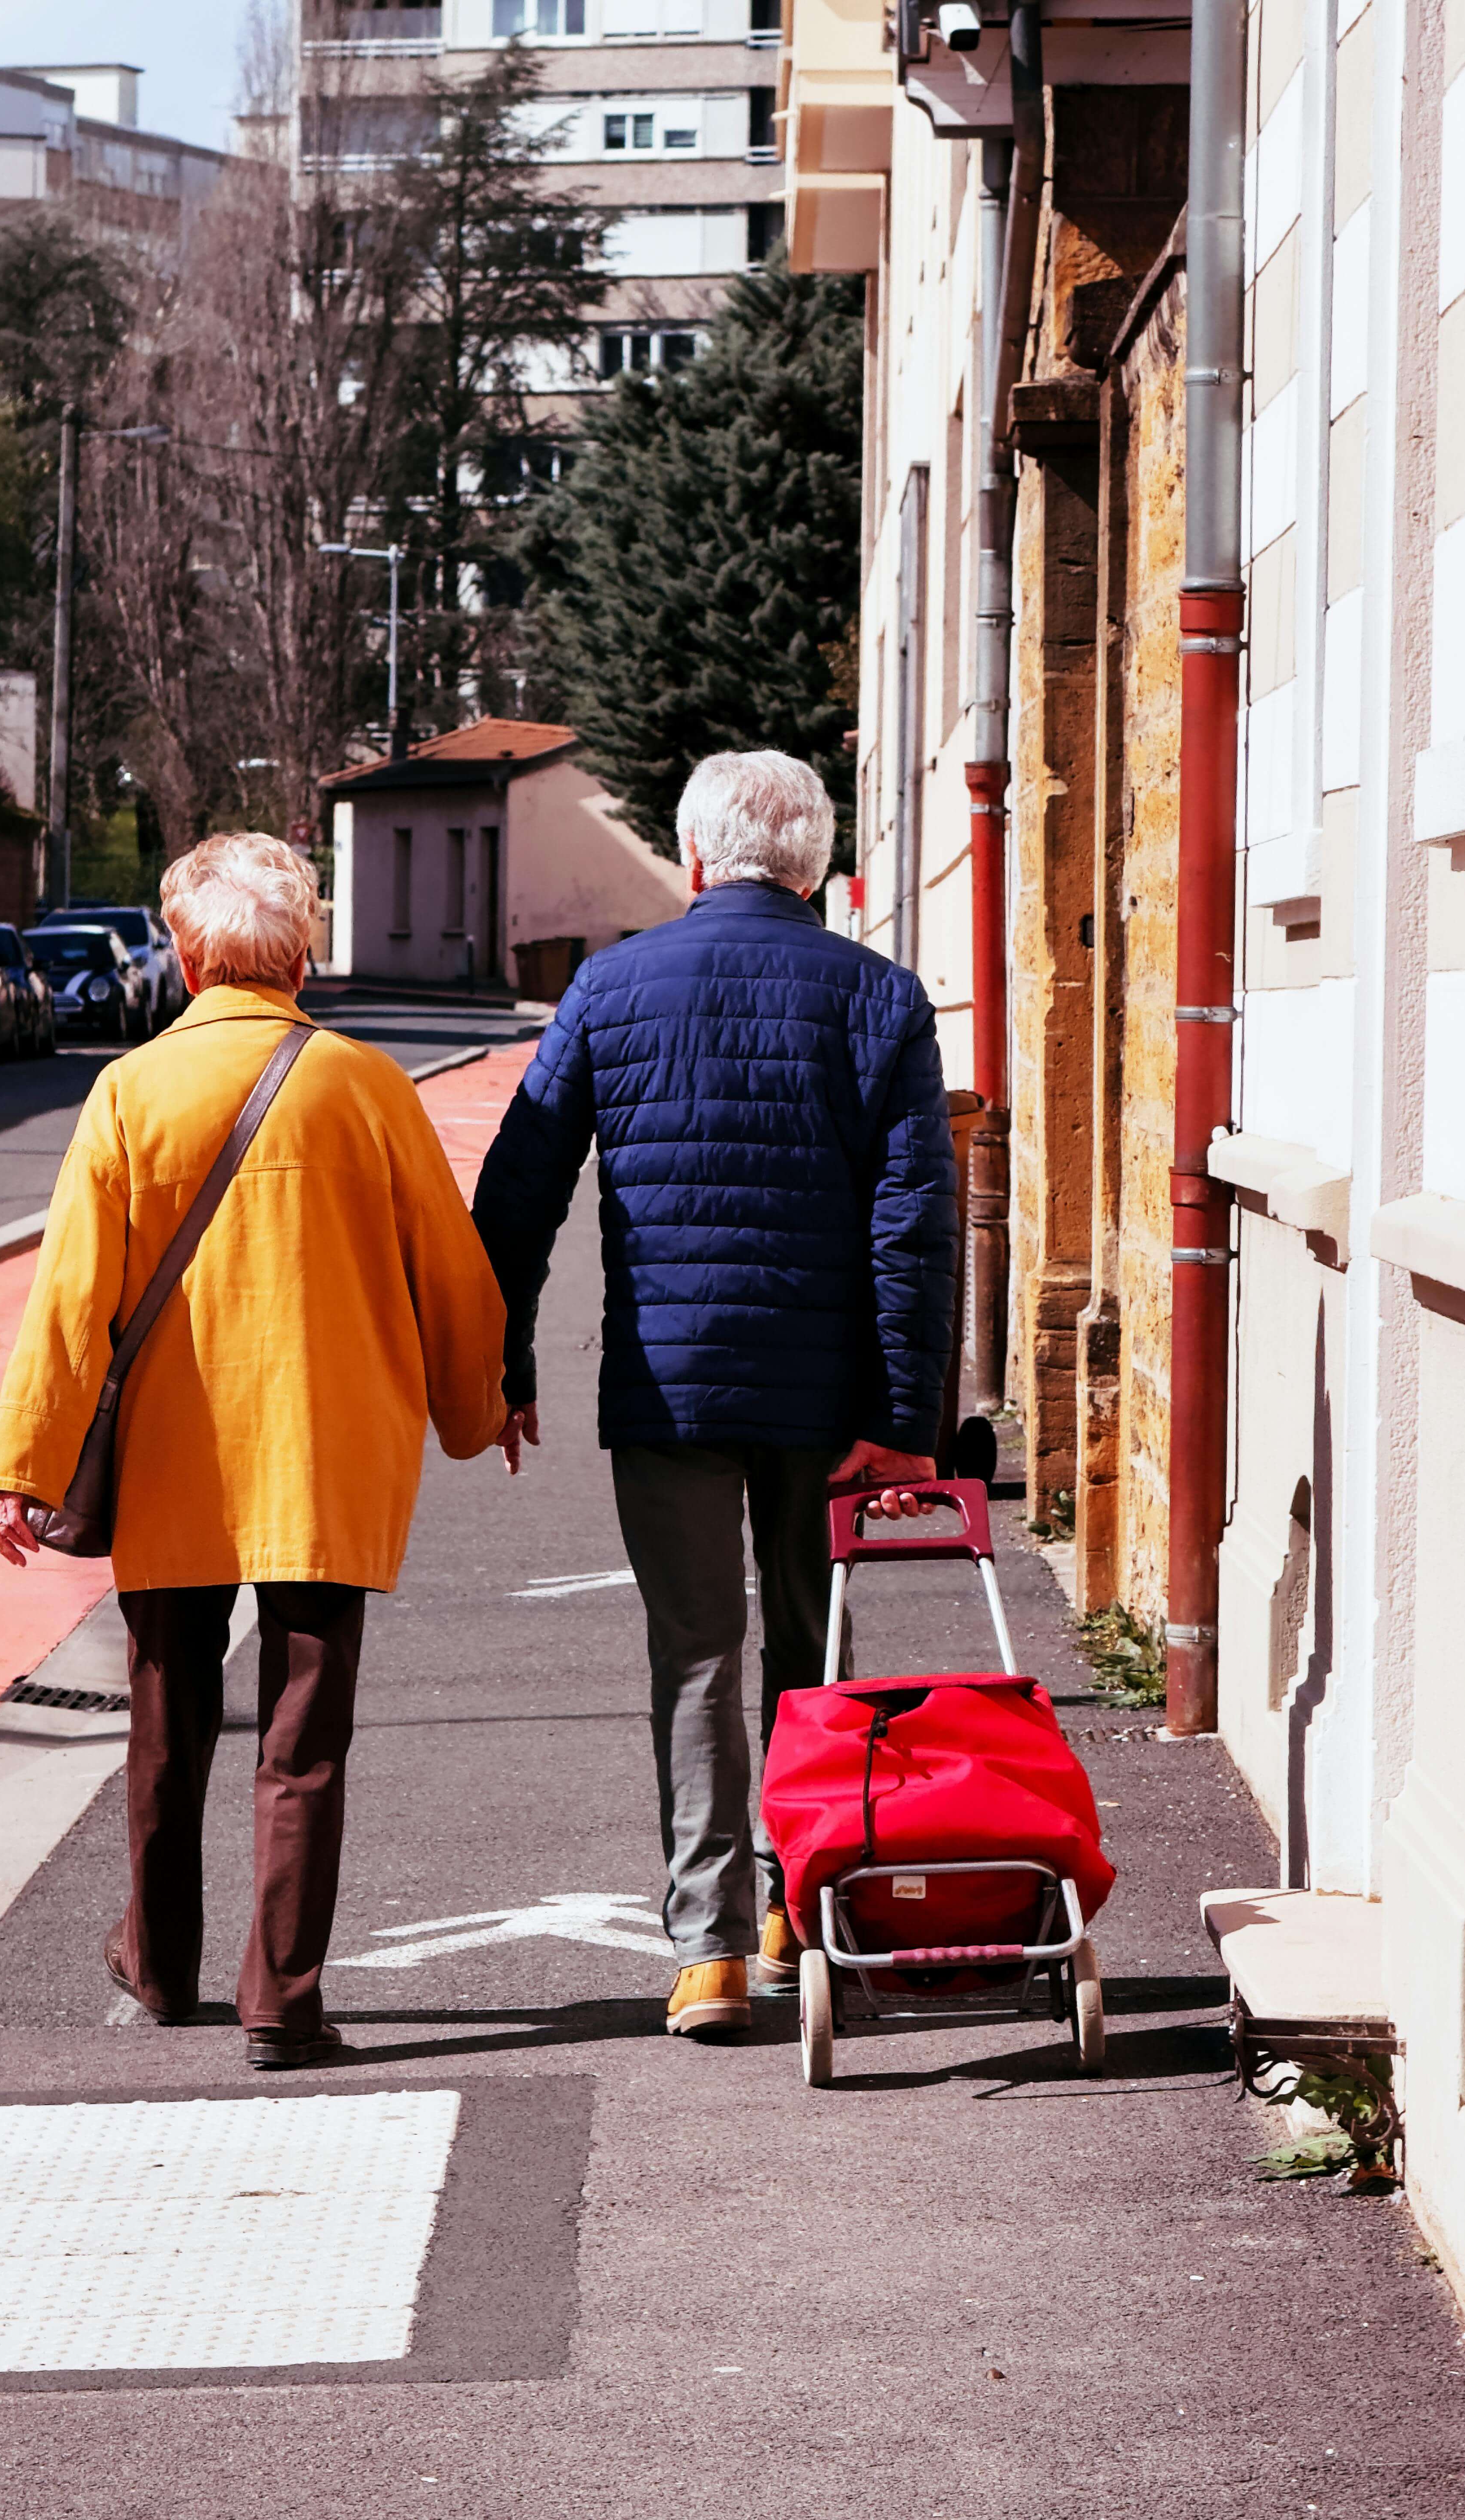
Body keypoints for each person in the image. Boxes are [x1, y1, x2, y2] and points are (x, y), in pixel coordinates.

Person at [0, 834, 507, 2068]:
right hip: (326, 1455)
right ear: (302, 952)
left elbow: (73, 1298)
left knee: (165, 1721)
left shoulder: (131, 1092)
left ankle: (160, 1967)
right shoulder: (363, 1083)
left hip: (178, 1455)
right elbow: (452, 1273)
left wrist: (28, 1461)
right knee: (302, 1736)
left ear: (185, 951)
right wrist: (480, 1409)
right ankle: (282, 1999)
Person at [471, 751, 959, 2040]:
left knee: (693, 1656)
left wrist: (501, 1363)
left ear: (692, 862)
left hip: (668, 1388)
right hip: (828, 1400)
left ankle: (706, 1955)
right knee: (812, 1658)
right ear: (813, 866)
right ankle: (804, 1906)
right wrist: (903, 1422)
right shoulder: (882, 998)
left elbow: (522, 1185)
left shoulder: (608, 987)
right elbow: (914, 1225)